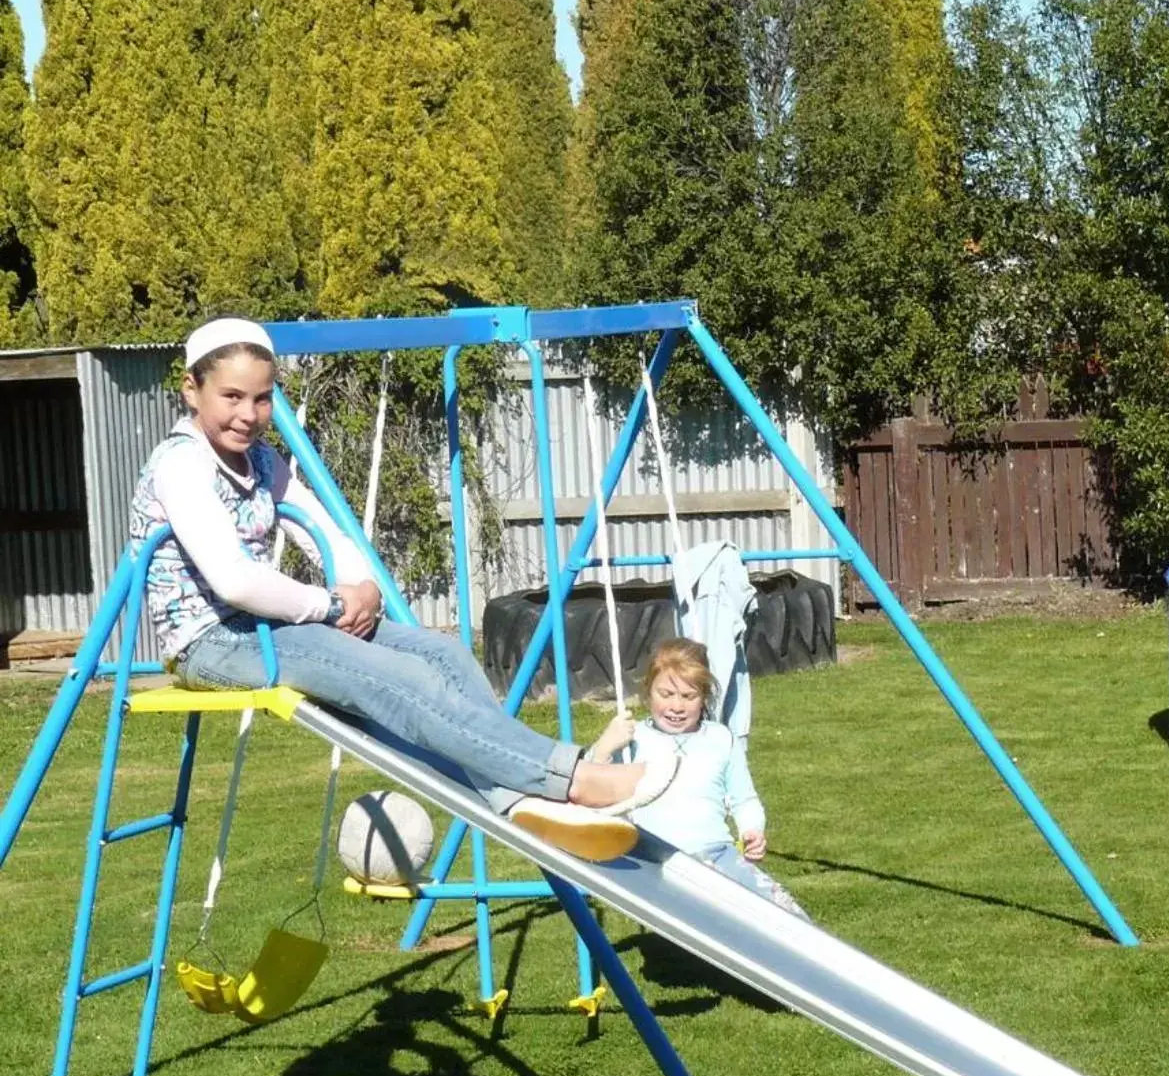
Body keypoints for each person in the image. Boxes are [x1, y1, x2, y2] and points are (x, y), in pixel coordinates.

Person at [133, 317, 679, 861]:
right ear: (191, 389)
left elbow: (318, 525)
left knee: (441, 654)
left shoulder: (260, 459)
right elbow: (234, 579)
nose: (248, 415)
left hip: (264, 626)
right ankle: (573, 778)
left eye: (262, 398)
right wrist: (329, 603)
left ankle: (515, 798)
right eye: (231, 396)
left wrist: (361, 587)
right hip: (210, 639)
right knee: (397, 678)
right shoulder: (182, 464)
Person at [590, 638, 807, 919]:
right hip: (656, 858)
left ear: (704, 697)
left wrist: (752, 829)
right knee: (707, 917)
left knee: (784, 915)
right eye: (666, 694)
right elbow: (587, 786)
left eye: (688, 696)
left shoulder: (719, 739)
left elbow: (744, 800)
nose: (676, 706)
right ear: (648, 694)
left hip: (716, 853)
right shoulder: (633, 739)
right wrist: (605, 748)